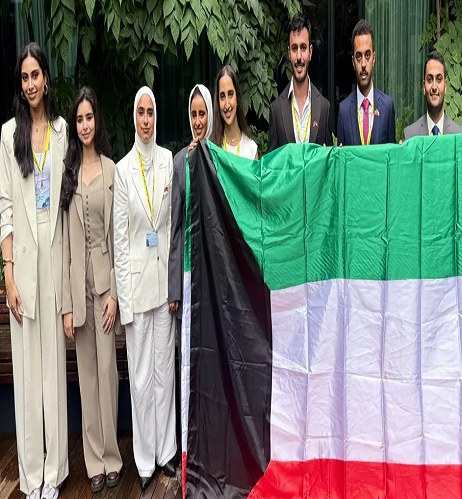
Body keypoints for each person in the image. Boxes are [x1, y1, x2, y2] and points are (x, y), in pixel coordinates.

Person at [0, 42, 68, 499]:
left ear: (46, 78)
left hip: (54, 256)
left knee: (53, 373)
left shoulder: (62, 130)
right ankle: (31, 475)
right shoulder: (9, 135)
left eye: (35, 75)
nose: (30, 84)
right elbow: (5, 207)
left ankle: (55, 471)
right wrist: (8, 274)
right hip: (23, 262)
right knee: (27, 378)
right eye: (24, 77)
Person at [113, 86, 176, 490]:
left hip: (163, 289)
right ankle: (144, 459)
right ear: (133, 117)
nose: (146, 119)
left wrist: (174, 286)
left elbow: (168, 227)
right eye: (141, 112)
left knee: (164, 373)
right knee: (140, 379)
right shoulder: (123, 171)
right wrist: (125, 303)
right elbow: (120, 242)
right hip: (137, 291)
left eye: (151, 112)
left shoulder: (168, 161)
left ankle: (166, 452)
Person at [60, 87, 122, 493]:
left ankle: (112, 457)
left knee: (107, 374)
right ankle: (93, 461)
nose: (85, 125)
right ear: (75, 125)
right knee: (86, 378)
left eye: (89, 117)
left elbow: (118, 238)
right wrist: (67, 305)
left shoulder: (111, 170)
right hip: (78, 291)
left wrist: (114, 292)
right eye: (79, 119)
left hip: (104, 289)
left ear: (97, 120)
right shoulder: (67, 175)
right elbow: (65, 244)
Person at [168, 84, 213, 335]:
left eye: (202, 114)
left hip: (214, 270)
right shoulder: (179, 162)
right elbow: (175, 228)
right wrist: (174, 288)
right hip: (188, 273)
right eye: (194, 115)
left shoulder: (220, 158)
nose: (197, 122)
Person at [268, 13, 333, 152]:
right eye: (294, 48)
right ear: (289, 53)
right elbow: (272, 164)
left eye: (303, 48)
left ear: (310, 52)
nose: (299, 57)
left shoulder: (324, 108)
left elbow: (329, 161)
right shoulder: (276, 110)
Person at [337, 19, 395, 146]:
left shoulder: (387, 107)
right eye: (359, 56)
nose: (363, 64)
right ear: (353, 61)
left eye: (367, 55)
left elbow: (391, 156)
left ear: (374, 58)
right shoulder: (344, 110)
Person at [403, 51, 462, 139]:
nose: (434, 87)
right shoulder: (410, 135)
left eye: (439, 79)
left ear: (445, 86)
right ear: (424, 87)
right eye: (430, 79)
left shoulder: (460, 136)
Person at [210, 65, 258, 160]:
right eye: (222, 96)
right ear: (218, 102)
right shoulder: (211, 149)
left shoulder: (251, 149)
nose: (227, 105)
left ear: (237, 97)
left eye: (230, 94)